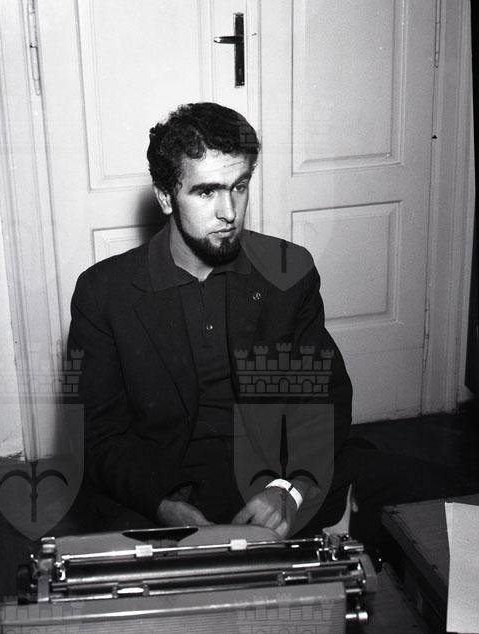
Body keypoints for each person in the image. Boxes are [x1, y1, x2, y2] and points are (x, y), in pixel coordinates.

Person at [66, 102, 463, 549]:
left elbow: (324, 398)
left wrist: (290, 490)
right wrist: (162, 504)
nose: (229, 212)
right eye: (206, 192)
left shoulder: (286, 270)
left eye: (239, 187)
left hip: (274, 475)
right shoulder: (106, 292)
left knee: (448, 500)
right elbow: (100, 436)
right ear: (165, 196)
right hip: (162, 487)